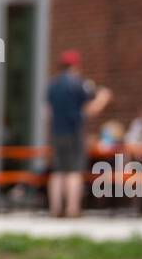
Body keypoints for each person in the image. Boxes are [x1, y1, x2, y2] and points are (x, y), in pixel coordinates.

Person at [45, 49, 111, 217]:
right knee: (74, 172)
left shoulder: (52, 85)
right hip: (74, 131)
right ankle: (72, 210)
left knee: (58, 171)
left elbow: (48, 111)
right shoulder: (78, 84)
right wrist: (103, 97)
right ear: (76, 66)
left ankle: (55, 209)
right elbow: (89, 110)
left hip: (57, 132)